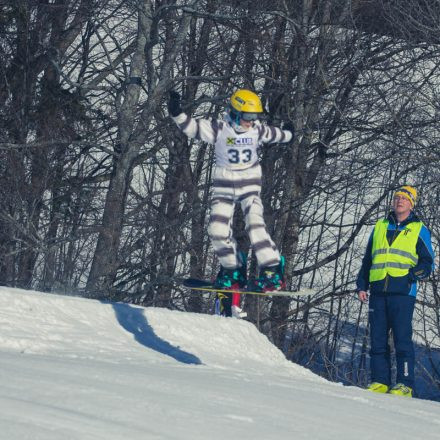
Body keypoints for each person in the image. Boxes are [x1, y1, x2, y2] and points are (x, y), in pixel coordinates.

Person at [168, 89, 294, 315]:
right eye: (248, 117)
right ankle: (232, 268)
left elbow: (276, 134)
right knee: (216, 229)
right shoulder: (219, 129)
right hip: (224, 184)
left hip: (250, 184)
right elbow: (192, 127)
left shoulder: (257, 130)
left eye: (255, 118)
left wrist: (289, 134)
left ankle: (272, 268)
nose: (251, 122)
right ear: (235, 114)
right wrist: (177, 112)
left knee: (255, 225)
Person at [356, 185, 434, 397]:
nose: (399, 201)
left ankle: (404, 384)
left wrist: (411, 276)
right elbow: (368, 259)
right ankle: (380, 381)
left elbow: (428, 263)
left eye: (404, 198)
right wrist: (362, 285)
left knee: (402, 339)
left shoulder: (419, 229)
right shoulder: (380, 226)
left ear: (411, 203)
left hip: (403, 293)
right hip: (378, 291)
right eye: (397, 197)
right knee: (378, 339)